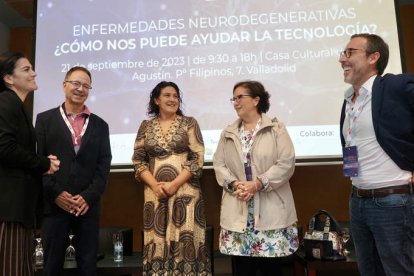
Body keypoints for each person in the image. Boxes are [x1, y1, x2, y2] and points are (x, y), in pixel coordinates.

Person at [339, 33, 414, 276]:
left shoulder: (394, 86)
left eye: (350, 52)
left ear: (374, 57)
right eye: (343, 53)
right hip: (358, 200)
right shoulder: (350, 99)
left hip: (393, 200)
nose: (342, 59)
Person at [213, 80, 299, 276]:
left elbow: (286, 162)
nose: (235, 102)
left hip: (271, 213)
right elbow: (219, 164)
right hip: (239, 211)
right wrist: (235, 184)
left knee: (272, 271)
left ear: (256, 100)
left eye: (239, 97)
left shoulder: (276, 129)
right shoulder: (228, 133)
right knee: (243, 270)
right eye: (233, 99)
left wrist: (258, 184)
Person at [35, 66, 112, 276]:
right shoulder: (44, 120)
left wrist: (87, 197)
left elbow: (104, 165)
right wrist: (56, 194)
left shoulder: (100, 125)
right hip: (54, 205)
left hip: (87, 207)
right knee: (51, 267)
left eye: (86, 85)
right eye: (76, 83)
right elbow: (38, 162)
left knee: (88, 268)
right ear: (64, 85)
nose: (80, 89)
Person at [132, 81, 211, 275]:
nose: (172, 99)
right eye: (167, 95)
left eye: (175, 96)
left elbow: (197, 158)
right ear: (156, 100)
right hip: (155, 194)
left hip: (186, 192)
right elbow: (138, 160)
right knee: (156, 241)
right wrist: (154, 185)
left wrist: (174, 184)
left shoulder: (189, 123)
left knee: (187, 239)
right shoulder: (146, 126)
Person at [0, 52, 60, 276]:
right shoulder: (6, 101)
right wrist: (43, 163)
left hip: (20, 206)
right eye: (26, 69)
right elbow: (4, 148)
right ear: (9, 78)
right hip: (10, 207)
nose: (33, 73)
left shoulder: (17, 105)